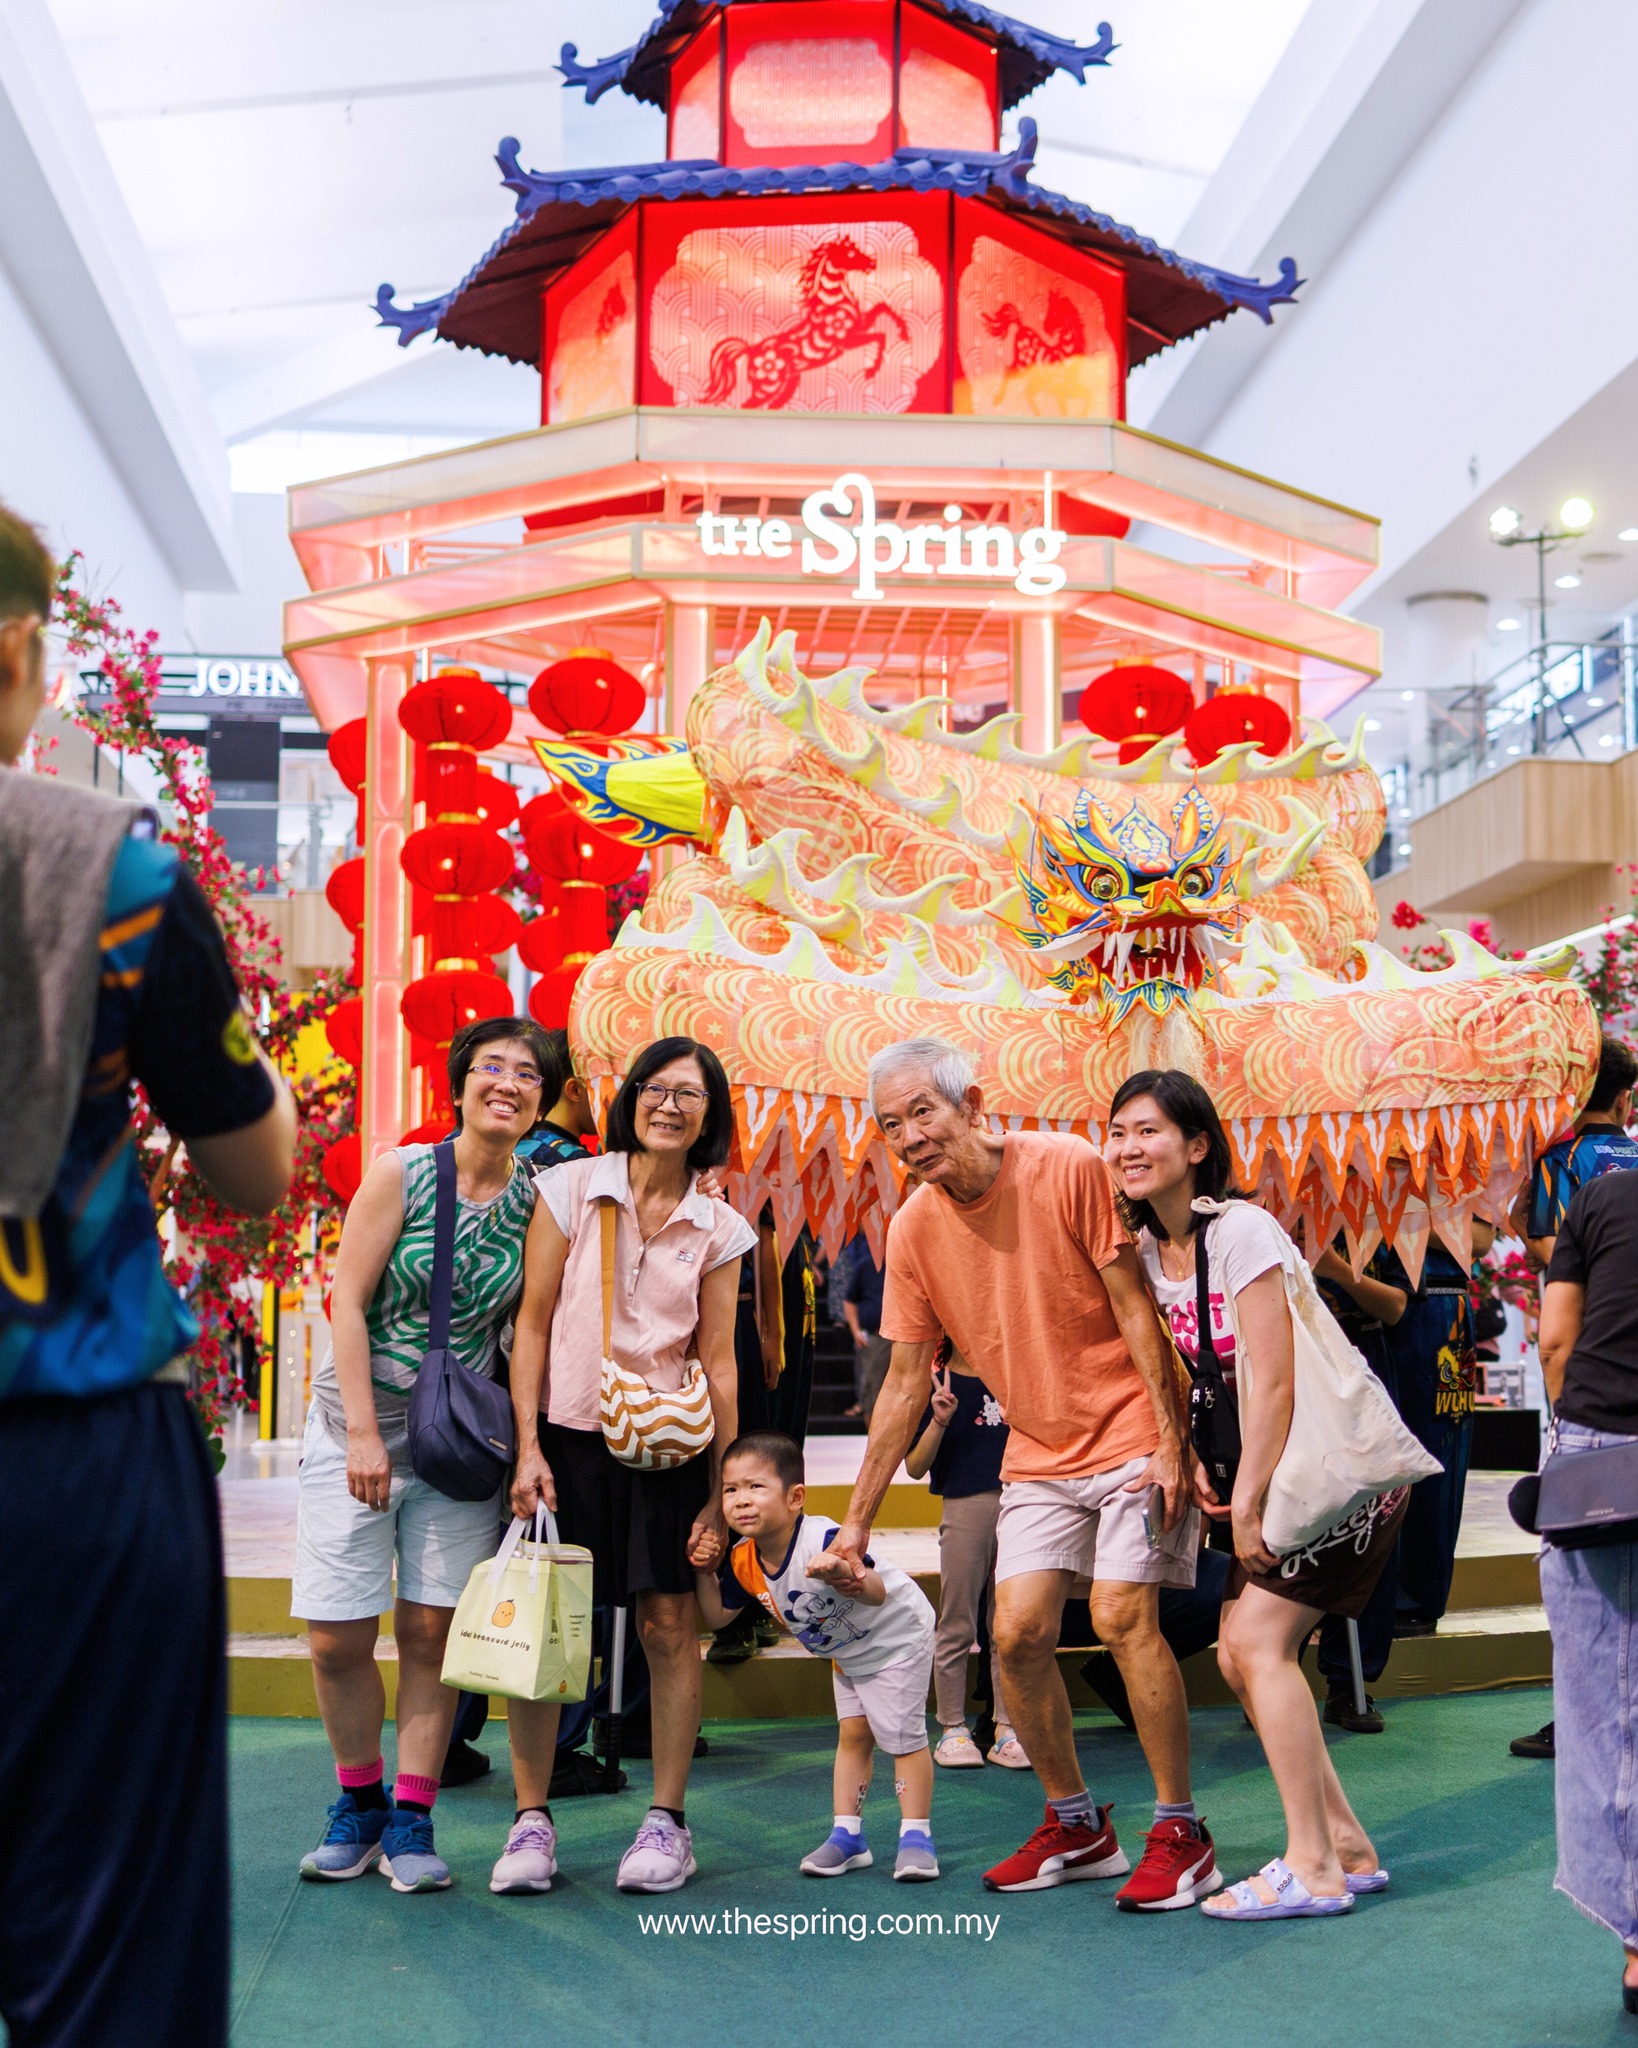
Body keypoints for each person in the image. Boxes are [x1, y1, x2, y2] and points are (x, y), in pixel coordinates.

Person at [0, 504, 296, 2046]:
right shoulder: (106, 872)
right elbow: (255, 1171)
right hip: (69, 1447)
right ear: (18, 654)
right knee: (101, 1940)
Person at [818, 1036, 1216, 1910]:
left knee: (1119, 1615)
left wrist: (1170, 1440)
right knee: (1018, 1635)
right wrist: (855, 1522)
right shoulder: (913, 1227)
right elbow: (901, 1383)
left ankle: (1181, 1829)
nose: (912, 1135)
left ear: (973, 1103)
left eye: (924, 1111)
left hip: (1130, 1430)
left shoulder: (1066, 1165)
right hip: (1036, 1449)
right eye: (892, 1124)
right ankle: (1077, 1822)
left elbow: (1132, 1304)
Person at [1106, 1070, 1402, 1920]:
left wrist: (1251, 1503)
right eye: (1119, 1130)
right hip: (1275, 1476)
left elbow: (1271, 1386)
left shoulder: (1241, 1229)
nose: (1129, 1146)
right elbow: (1208, 1380)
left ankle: (1312, 1868)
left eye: (1150, 1130)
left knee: (1254, 1643)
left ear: (1198, 1147)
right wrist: (1195, 1456)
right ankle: (1347, 1847)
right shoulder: (1156, 1253)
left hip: (1329, 1477)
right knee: (1239, 1652)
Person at [293, 1016, 550, 1892]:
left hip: (458, 1448)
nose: (508, 1084)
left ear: (542, 1099)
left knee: (431, 1632)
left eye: (527, 1074)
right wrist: (363, 1430)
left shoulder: (539, 1197)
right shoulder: (398, 1173)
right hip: (353, 1431)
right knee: (335, 1635)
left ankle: (411, 1817)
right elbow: (347, 1301)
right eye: (492, 1068)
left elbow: (529, 1332)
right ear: (459, 1085)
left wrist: (528, 1450)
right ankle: (357, 1803)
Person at [500, 1037, 754, 1896]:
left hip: (668, 1449)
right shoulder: (571, 1186)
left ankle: (667, 1822)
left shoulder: (722, 1226)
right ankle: (531, 1822)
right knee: (546, 1631)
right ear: (630, 1097)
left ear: (711, 1117)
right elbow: (531, 1323)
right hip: (569, 1442)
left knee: (668, 1630)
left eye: (691, 1095)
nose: (670, 1105)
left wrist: (723, 1490)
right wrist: (528, 1445)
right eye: (656, 1088)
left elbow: (720, 1361)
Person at [694, 1432, 941, 1880]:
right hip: (847, 1653)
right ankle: (848, 1837)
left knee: (902, 1740)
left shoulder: (824, 1537)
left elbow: (879, 1591)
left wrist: (845, 1572)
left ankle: (916, 1836)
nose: (741, 1501)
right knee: (853, 1736)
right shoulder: (742, 1559)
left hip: (896, 1640)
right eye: (731, 1490)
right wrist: (701, 1571)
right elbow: (716, 1615)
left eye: (756, 1487)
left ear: (796, 1498)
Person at [1513, 1033, 1638, 1762]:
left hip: (1588, 1383)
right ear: (1627, 1099)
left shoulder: (1562, 1162)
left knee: (1586, 1570)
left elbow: (1551, 1250)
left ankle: (1578, 1717)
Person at [1535, 1168, 1638, 2015]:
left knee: (1607, 1706)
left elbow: (1555, 1344)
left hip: (1608, 1454)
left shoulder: (1604, 1196)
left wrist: (1577, 1446)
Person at [905, 1345, 1029, 1769]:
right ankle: (952, 1728)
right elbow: (916, 1466)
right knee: (957, 1621)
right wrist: (939, 1420)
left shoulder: (1015, 1371)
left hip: (1024, 1503)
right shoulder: (936, 1380)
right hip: (965, 1506)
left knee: (1008, 1624)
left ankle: (1006, 1729)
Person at [1311, 1243, 1409, 1732]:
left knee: (1369, 1518)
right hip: (1290, 1359)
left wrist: (1335, 1268)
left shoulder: (1377, 1219)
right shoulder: (1253, 1213)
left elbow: (1394, 1306)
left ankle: (1349, 1680)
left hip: (1364, 1360)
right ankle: (1259, 1675)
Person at [839, 1230, 890, 1421]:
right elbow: (849, 1300)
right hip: (876, 1337)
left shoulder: (909, 1262)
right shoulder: (866, 1265)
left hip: (905, 1336)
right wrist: (855, 1331)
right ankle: (874, 1443)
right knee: (872, 1389)